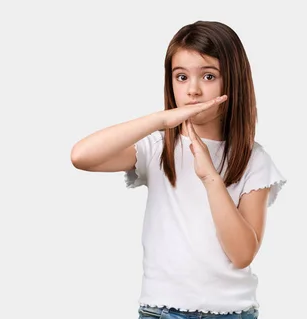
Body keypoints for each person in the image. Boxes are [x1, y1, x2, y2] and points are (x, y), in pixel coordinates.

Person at [70, 20, 286, 318]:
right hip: (162, 311)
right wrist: (162, 120)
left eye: (208, 76)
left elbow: (242, 254)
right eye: (181, 77)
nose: (193, 90)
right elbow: (82, 156)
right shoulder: (158, 147)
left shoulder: (254, 159)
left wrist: (211, 177)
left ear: (233, 81)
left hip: (233, 313)